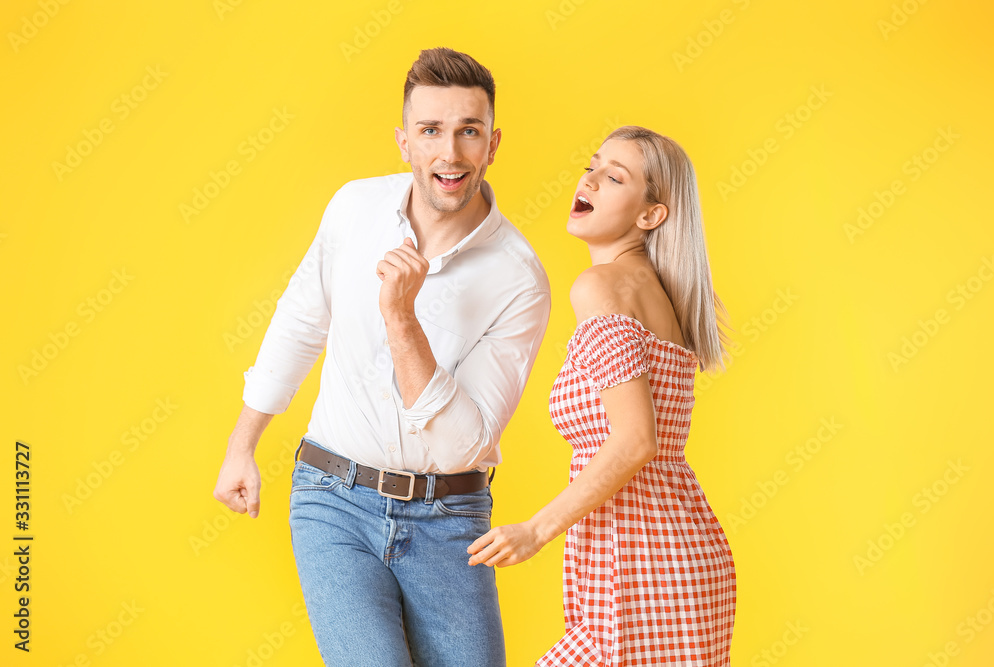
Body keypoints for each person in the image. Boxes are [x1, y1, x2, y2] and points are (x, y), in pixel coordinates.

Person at [213, 48, 550, 667]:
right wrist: (242, 445)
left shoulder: (518, 277)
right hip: (332, 496)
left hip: (449, 519)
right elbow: (300, 321)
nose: (449, 153)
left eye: (468, 131)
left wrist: (401, 318)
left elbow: (462, 446)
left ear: (492, 144)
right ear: (403, 141)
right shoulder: (353, 209)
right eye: (430, 131)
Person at [467, 125, 736, 666]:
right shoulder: (653, 293)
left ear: (650, 215)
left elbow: (636, 440)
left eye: (614, 177)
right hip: (670, 547)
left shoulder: (601, 288)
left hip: (641, 558)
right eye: (592, 165)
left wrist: (534, 530)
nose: (588, 179)